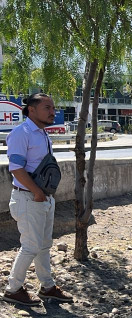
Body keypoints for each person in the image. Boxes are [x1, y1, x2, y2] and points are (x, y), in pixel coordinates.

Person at [3, 93, 72, 306]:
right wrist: (37, 193)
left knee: (43, 246)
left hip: (41, 198)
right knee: (31, 246)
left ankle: (47, 287)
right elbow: (16, 168)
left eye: (53, 107)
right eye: (47, 107)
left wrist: (44, 194)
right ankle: (13, 289)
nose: (53, 112)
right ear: (31, 110)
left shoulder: (41, 133)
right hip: (29, 198)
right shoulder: (21, 133)